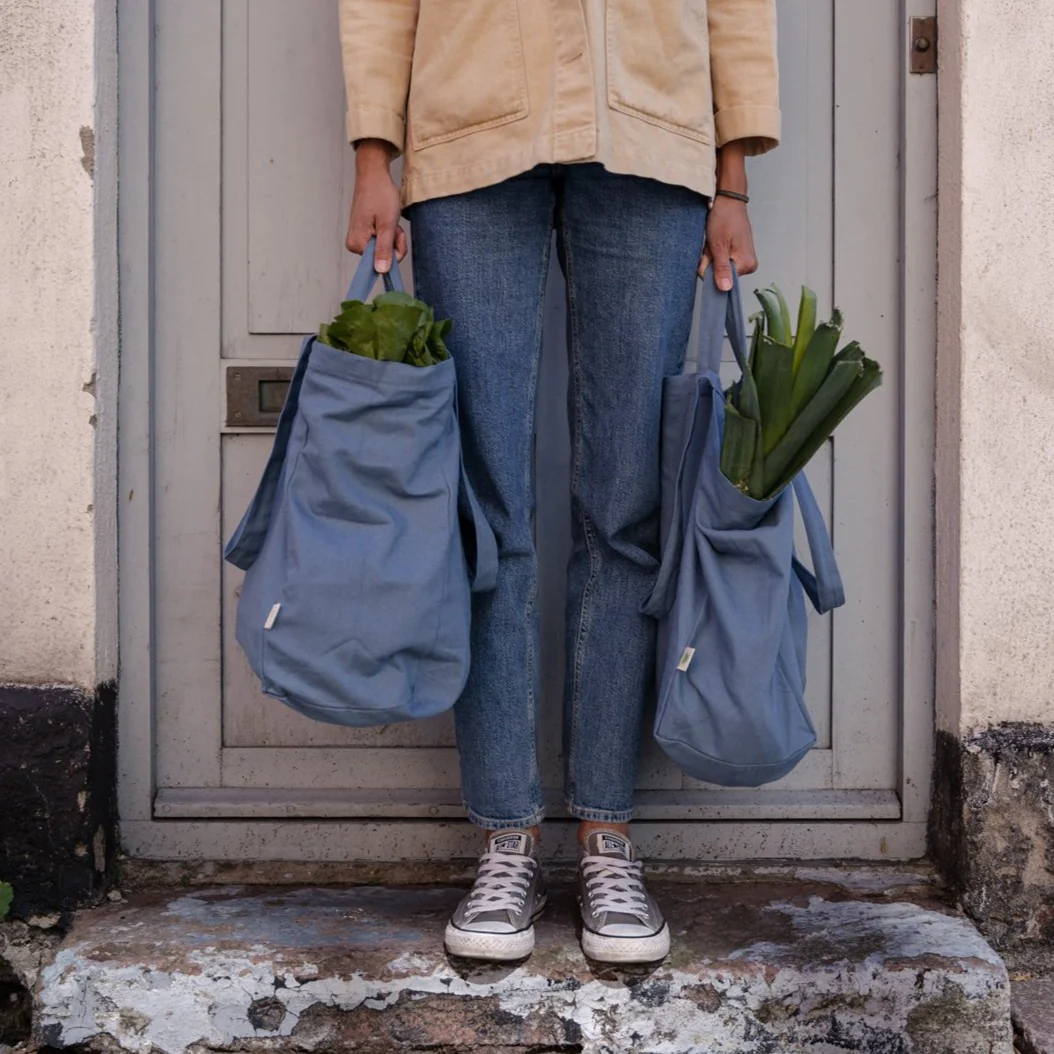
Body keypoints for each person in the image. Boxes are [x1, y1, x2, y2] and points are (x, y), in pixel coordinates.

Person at [339, 0, 779, 964]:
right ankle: (506, 836)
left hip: (651, 134)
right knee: (489, 510)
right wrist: (376, 156)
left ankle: (605, 833)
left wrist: (733, 177)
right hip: (467, 133)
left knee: (627, 514)